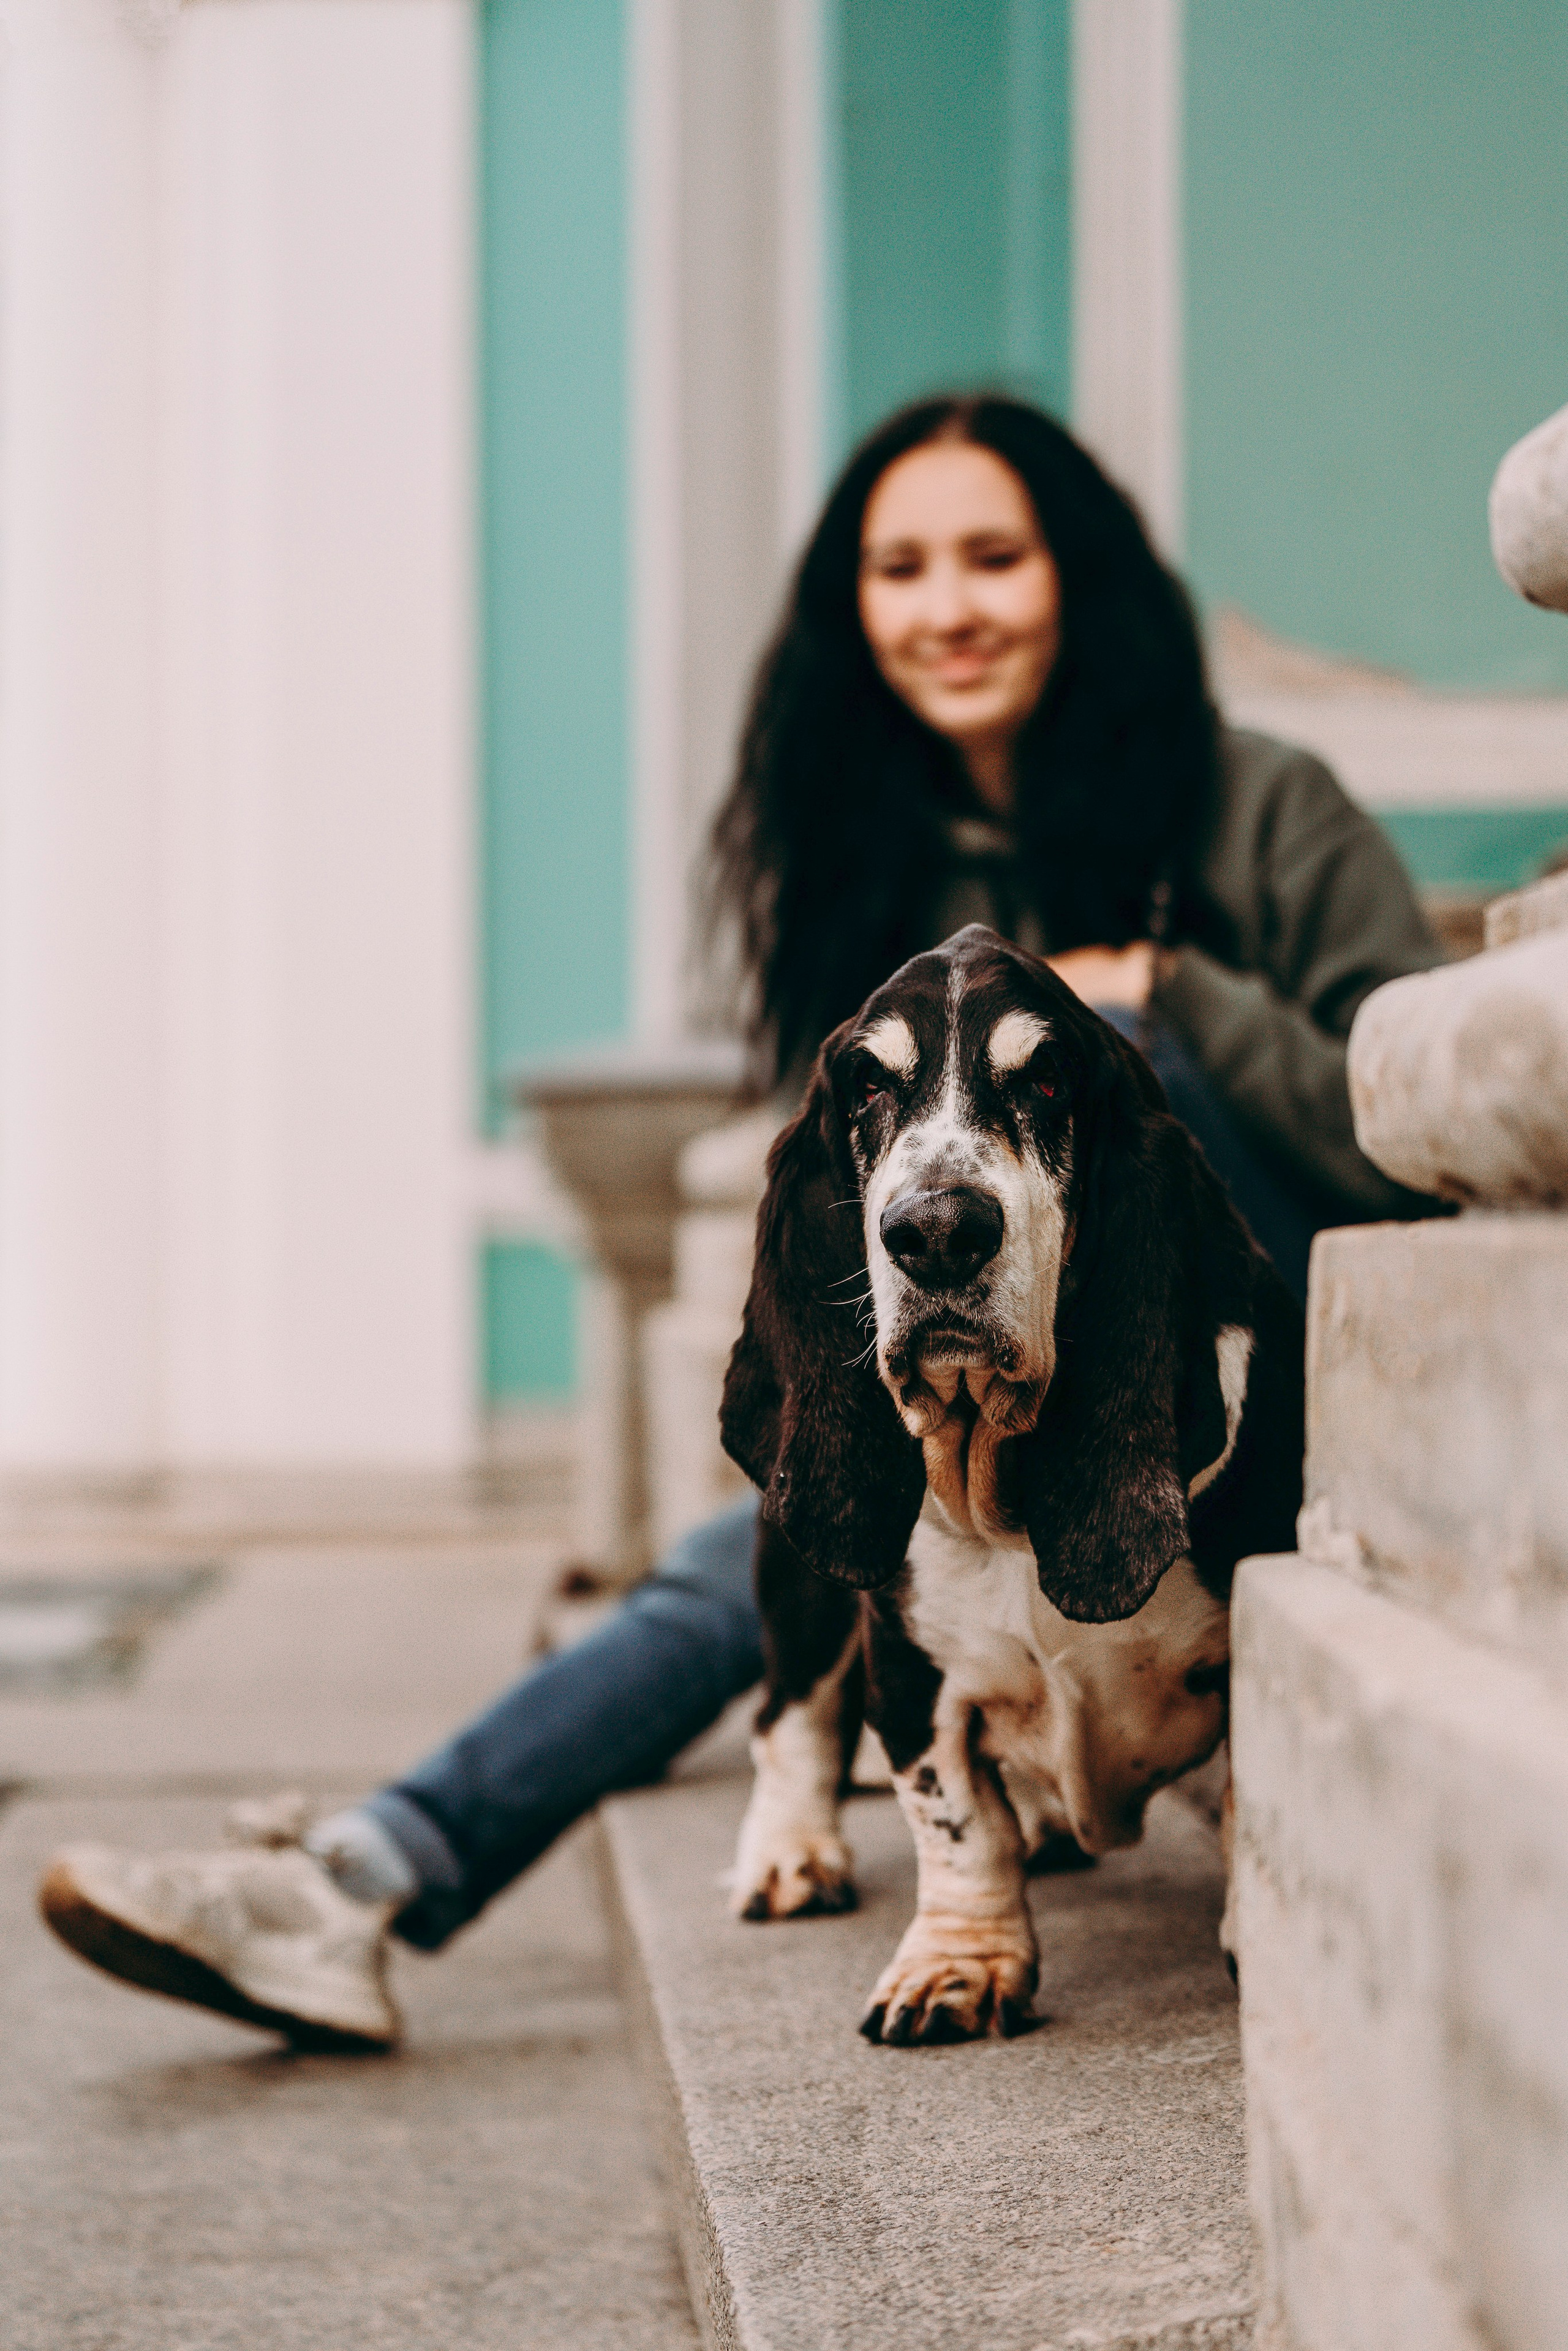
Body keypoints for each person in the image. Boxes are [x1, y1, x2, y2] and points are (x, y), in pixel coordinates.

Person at [39, 396, 1444, 2048]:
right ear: (853, 609)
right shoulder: (877, 860)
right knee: (786, 1523)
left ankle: (366, 1865)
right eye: (901, 567)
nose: (950, 606)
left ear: (1087, 581)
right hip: (981, 1421)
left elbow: (1414, 1128)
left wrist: (1173, 995)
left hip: (1220, 1382)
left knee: (802, 1506)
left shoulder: (1266, 806)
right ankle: (365, 1871)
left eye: (996, 555)